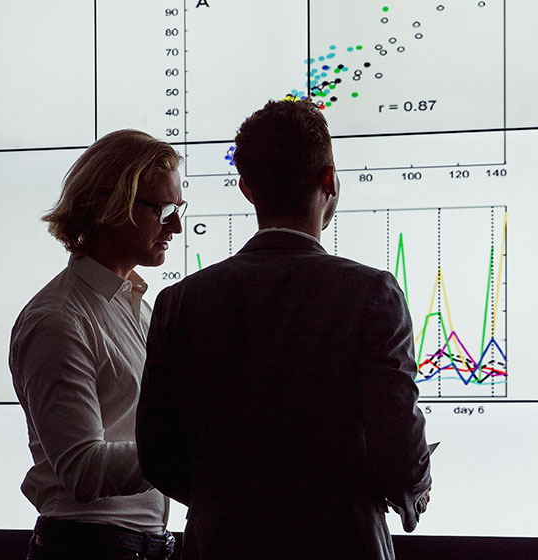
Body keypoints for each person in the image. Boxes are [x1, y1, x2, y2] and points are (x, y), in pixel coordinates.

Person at [137, 99, 432, 559]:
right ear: (329, 180)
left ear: (246, 189)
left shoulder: (180, 302)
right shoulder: (372, 293)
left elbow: (157, 453)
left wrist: (233, 501)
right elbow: (398, 441)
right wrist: (415, 490)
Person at [9, 129, 186, 560]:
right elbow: (83, 469)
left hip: (137, 546)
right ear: (109, 205)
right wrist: (189, 448)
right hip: (87, 546)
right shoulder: (58, 320)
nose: (176, 225)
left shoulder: (137, 307)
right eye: (162, 209)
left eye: (178, 209)